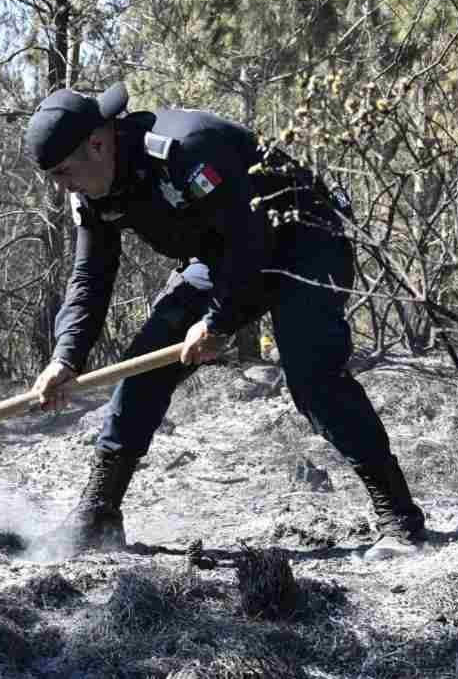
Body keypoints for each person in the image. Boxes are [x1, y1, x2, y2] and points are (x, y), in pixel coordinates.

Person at [24, 82, 426, 561]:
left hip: (303, 242)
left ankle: (399, 517)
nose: (61, 186)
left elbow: (250, 236)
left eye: (63, 172)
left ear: (97, 143)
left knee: (312, 376)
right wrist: (65, 358)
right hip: (223, 258)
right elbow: (90, 277)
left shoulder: (184, 150)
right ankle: (98, 512)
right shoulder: (92, 192)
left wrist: (219, 321)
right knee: (144, 366)